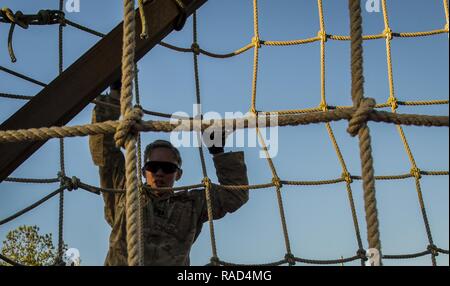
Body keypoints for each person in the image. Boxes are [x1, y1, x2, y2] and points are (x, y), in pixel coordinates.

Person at [89, 84, 249, 266]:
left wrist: (218, 151)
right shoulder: (124, 193)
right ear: (143, 171)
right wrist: (116, 94)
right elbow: (104, 151)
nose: (159, 173)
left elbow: (235, 195)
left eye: (167, 168)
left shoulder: (191, 205)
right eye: (153, 166)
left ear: (178, 174)